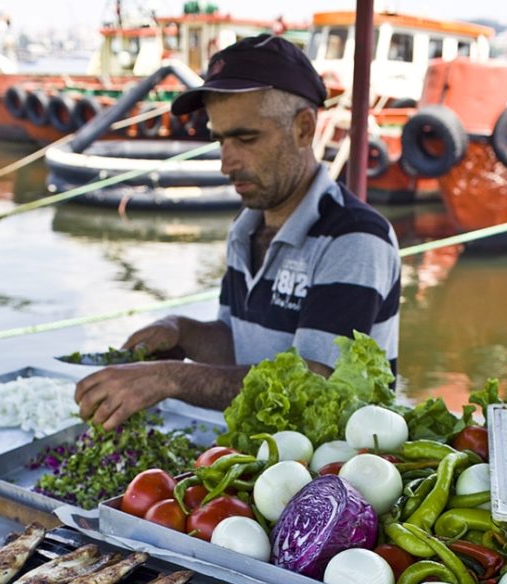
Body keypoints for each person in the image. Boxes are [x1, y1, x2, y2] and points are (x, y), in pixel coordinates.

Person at [75, 34, 401, 430]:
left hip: (333, 471)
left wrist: (169, 377)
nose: (226, 164)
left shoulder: (354, 238)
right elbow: (237, 346)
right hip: (256, 455)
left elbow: (316, 385)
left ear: (303, 128)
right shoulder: (245, 228)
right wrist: (181, 330)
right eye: (220, 140)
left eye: (246, 139)